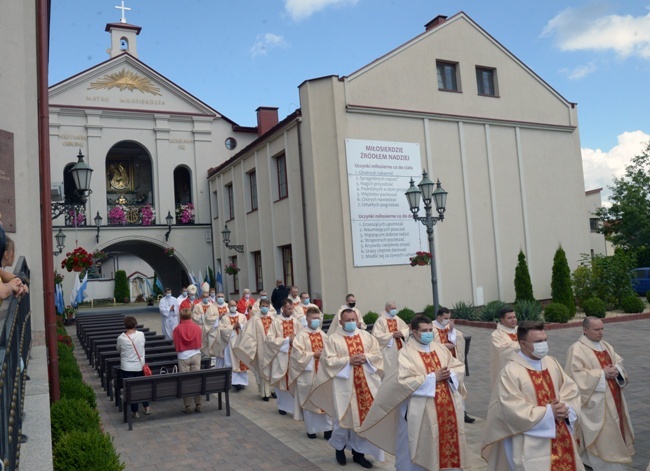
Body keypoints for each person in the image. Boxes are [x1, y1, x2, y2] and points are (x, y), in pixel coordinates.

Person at [360, 316, 469, 471]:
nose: (428, 334)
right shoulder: (405, 354)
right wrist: (432, 377)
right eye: (424, 331)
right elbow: (402, 381)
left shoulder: (440, 349)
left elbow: (457, 366)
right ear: (414, 332)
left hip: (446, 410)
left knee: (445, 445)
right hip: (418, 411)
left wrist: (451, 374)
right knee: (414, 448)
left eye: (430, 330)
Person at [481, 320, 584, 471]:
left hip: (560, 436)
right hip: (529, 442)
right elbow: (509, 408)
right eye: (538, 341)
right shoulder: (511, 372)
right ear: (522, 344)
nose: (543, 345)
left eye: (545, 340)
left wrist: (566, 407)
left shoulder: (551, 362)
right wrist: (549, 412)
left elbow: (570, 390)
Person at [309, 309, 384, 469]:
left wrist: (366, 357)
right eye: (347, 320)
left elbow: (377, 355)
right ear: (341, 322)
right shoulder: (334, 340)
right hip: (344, 387)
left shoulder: (367, 337)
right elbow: (327, 360)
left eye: (353, 319)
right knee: (342, 421)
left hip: (365, 387)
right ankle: (339, 448)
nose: (351, 322)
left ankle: (359, 454)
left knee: (362, 422)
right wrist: (348, 360)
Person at [565, 316, 634, 470]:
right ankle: (599, 464)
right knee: (602, 437)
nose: (601, 333)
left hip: (614, 398)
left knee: (615, 431)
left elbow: (618, 361)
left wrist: (618, 370)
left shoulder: (605, 345)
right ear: (585, 330)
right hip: (595, 405)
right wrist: (602, 374)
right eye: (597, 330)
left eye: (602, 329)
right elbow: (573, 376)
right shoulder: (576, 349)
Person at [289, 306, 332, 439]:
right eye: (314, 318)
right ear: (307, 319)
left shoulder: (323, 335)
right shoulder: (301, 336)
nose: (316, 321)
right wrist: (313, 355)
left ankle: (328, 430)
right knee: (310, 401)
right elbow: (296, 356)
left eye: (318, 318)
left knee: (325, 399)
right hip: (308, 374)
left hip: (322, 374)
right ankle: (311, 429)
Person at [433, 307, 473, 423]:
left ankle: (462, 411)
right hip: (440, 363)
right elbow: (430, 344)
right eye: (445, 318)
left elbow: (458, 340)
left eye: (449, 318)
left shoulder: (449, 327)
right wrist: (443, 346)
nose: (448, 320)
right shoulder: (431, 328)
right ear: (439, 317)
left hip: (452, 361)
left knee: (458, 384)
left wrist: (451, 331)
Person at [264, 298, 303, 415]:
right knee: (281, 381)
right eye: (288, 308)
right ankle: (282, 406)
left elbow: (302, 337)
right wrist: (286, 340)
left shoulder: (296, 322)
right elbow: (269, 339)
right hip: (281, 356)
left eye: (292, 308)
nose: (291, 310)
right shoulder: (276, 322)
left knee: (293, 381)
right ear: (283, 308)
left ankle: (294, 407)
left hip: (293, 357)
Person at [233, 298, 276, 400]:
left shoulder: (273, 318)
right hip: (261, 347)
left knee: (272, 369)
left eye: (267, 306)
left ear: (269, 307)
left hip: (271, 347)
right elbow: (247, 331)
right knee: (262, 368)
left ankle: (273, 390)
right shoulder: (255, 319)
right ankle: (264, 393)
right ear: (259, 307)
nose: (265, 308)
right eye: (263, 306)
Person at [116, 316, 152, 418]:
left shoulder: (121, 338)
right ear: (135, 324)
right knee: (142, 387)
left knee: (130, 389)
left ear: (125, 325)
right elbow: (143, 344)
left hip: (127, 367)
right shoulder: (141, 335)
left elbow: (118, 349)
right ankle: (146, 407)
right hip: (139, 366)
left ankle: (135, 411)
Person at [212, 299, 249, 390]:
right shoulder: (225, 318)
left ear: (236, 306)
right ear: (228, 307)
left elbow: (247, 327)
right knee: (231, 363)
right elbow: (222, 330)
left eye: (234, 305)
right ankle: (234, 382)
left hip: (240, 343)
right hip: (230, 343)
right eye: (231, 306)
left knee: (241, 362)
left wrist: (241, 326)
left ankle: (242, 382)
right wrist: (233, 326)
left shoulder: (242, 316)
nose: (233, 307)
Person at [172, 308, 203, 413]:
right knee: (196, 379)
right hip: (195, 354)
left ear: (181, 317)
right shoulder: (196, 327)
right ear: (190, 316)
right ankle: (198, 403)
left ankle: (187, 406)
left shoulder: (177, 329)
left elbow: (175, 343)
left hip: (183, 356)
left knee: (185, 381)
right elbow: (200, 340)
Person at [371, 301, 409, 373]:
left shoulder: (397, 318)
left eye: (395, 308)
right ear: (386, 309)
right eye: (392, 308)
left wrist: (402, 333)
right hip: (388, 348)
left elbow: (406, 328)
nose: (394, 310)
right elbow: (376, 334)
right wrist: (391, 335)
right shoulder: (380, 320)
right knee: (390, 367)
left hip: (399, 345)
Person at [489, 306, 519, 389]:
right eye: (509, 318)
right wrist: (523, 346)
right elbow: (503, 351)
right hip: (506, 370)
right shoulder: (496, 335)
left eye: (514, 317)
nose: (513, 320)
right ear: (502, 320)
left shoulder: (520, 330)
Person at [191, 284, 222, 356]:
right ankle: (203, 355)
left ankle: (211, 355)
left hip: (211, 327)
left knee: (212, 342)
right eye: (204, 297)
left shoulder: (213, 305)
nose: (205, 298)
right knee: (202, 342)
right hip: (201, 327)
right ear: (201, 297)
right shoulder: (197, 306)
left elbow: (216, 315)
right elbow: (194, 316)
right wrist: (203, 317)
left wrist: (210, 319)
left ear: (209, 297)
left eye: (207, 297)